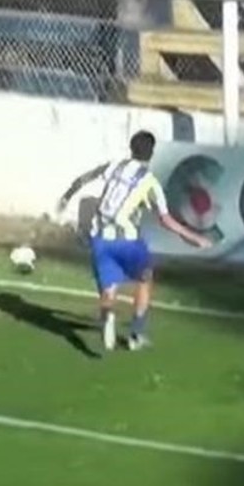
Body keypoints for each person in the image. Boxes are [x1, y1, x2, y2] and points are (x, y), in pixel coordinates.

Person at [57, 131, 212, 352]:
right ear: (152, 153)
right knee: (144, 278)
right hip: (128, 241)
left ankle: (108, 316)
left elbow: (85, 178)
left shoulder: (115, 166)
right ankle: (136, 334)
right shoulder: (149, 182)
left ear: (131, 148)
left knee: (109, 288)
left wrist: (66, 198)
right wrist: (193, 237)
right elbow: (165, 220)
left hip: (100, 238)